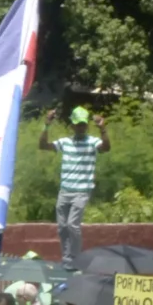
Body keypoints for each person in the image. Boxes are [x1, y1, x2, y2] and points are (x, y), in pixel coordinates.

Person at [42, 106, 109, 270]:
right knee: (62, 227)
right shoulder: (65, 142)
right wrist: (46, 125)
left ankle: (76, 258)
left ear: (87, 125)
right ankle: (67, 260)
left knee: (73, 224)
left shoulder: (92, 141)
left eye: (83, 125)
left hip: (81, 190)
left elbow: (106, 148)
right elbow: (43, 145)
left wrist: (102, 129)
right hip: (65, 191)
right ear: (72, 125)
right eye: (78, 124)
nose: (80, 127)